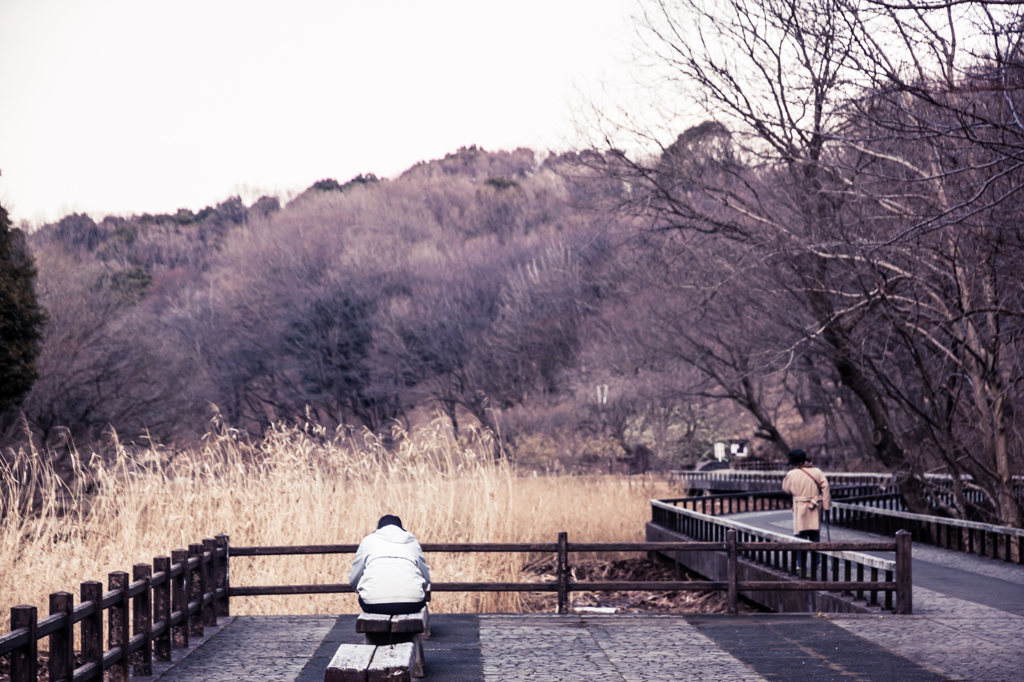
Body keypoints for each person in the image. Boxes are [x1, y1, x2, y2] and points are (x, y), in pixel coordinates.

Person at [349, 514, 431, 615]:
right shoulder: (412, 542)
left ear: (379, 528)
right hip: (411, 603)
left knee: (364, 598)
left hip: (374, 603)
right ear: (401, 528)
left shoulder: (368, 541)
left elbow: (354, 577)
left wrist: (359, 589)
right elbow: (426, 577)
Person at [781, 449, 830, 570]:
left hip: (801, 507)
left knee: (800, 535)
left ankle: (801, 564)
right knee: (814, 534)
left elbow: (786, 489)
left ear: (795, 463)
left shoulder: (792, 474)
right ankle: (816, 562)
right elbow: (826, 487)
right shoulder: (817, 472)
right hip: (815, 506)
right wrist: (826, 506)